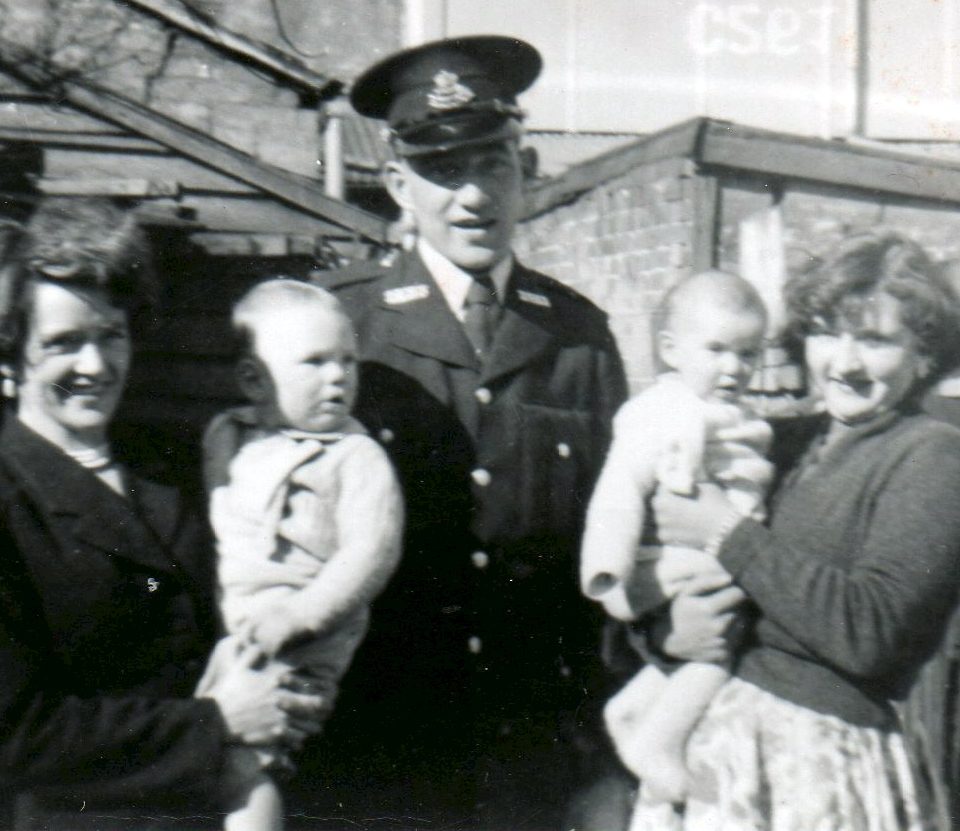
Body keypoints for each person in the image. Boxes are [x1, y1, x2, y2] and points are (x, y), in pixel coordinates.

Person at [307, 35, 629, 829]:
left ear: (526, 170)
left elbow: (614, 548)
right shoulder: (342, 324)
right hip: (375, 749)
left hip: (535, 752)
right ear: (397, 185)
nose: (473, 195)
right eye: (442, 171)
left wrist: (608, 753)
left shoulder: (580, 338)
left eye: (491, 163)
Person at [0, 198, 325, 829]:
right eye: (65, 344)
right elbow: (17, 732)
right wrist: (217, 721)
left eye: (111, 336)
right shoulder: (10, 500)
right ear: (11, 357)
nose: (95, 366)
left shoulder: (171, 466)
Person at [632, 232, 960, 830]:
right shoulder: (778, 440)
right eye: (828, 333)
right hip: (699, 749)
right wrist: (668, 637)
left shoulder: (933, 457)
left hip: (814, 765)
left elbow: (872, 630)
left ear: (926, 355)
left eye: (876, 340)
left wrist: (724, 533)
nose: (845, 363)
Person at [202, 278, 403, 831]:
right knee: (205, 744)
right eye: (314, 363)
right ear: (253, 379)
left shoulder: (356, 457)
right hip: (235, 631)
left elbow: (371, 553)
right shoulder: (228, 436)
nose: (338, 376)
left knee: (250, 760)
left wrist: (297, 616)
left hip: (308, 633)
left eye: (348, 361)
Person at [580, 270, 773, 809]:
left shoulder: (735, 414)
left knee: (707, 638)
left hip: (717, 548)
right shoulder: (658, 414)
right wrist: (606, 567)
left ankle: (634, 708)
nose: (733, 368)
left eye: (748, 354)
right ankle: (658, 741)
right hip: (674, 553)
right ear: (670, 350)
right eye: (716, 349)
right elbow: (618, 492)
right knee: (717, 648)